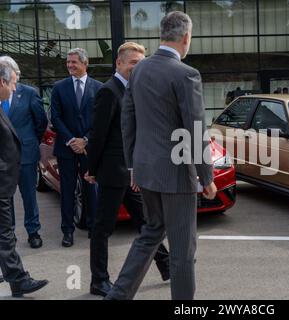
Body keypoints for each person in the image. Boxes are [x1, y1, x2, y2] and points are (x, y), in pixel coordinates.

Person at [105, 11, 217, 300]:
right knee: (182, 251)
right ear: (186, 38)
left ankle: (117, 296)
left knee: (150, 233)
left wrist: (133, 168)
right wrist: (206, 176)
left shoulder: (139, 70)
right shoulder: (186, 73)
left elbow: (127, 120)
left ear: (162, 35)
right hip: (176, 174)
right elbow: (195, 129)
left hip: (145, 170)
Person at [84, 42, 170, 297]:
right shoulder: (109, 92)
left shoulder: (135, 90)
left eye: (141, 63)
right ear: (119, 63)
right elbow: (98, 134)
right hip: (112, 172)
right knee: (102, 228)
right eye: (132, 62)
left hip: (130, 171)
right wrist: (92, 168)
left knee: (147, 222)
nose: (137, 67)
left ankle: (167, 265)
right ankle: (98, 280)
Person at [0, 61, 49, 297]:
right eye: (11, 82)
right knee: (4, 231)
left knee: (5, 231)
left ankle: (17, 276)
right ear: (2, 81)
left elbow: (40, 122)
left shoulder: (26, 95)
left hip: (23, 159)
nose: (14, 87)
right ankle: (17, 278)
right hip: (2, 176)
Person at [50, 48, 102, 247]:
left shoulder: (98, 88)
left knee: (91, 189)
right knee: (68, 190)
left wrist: (86, 140)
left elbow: (101, 119)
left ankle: (93, 228)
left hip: (89, 149)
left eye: (74, 62)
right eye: (68, 62)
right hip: (66, 149)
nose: (70, 65)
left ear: (85, 63)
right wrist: (72, 140)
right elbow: (55, 117)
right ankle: (67, 231)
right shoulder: (59, 87)